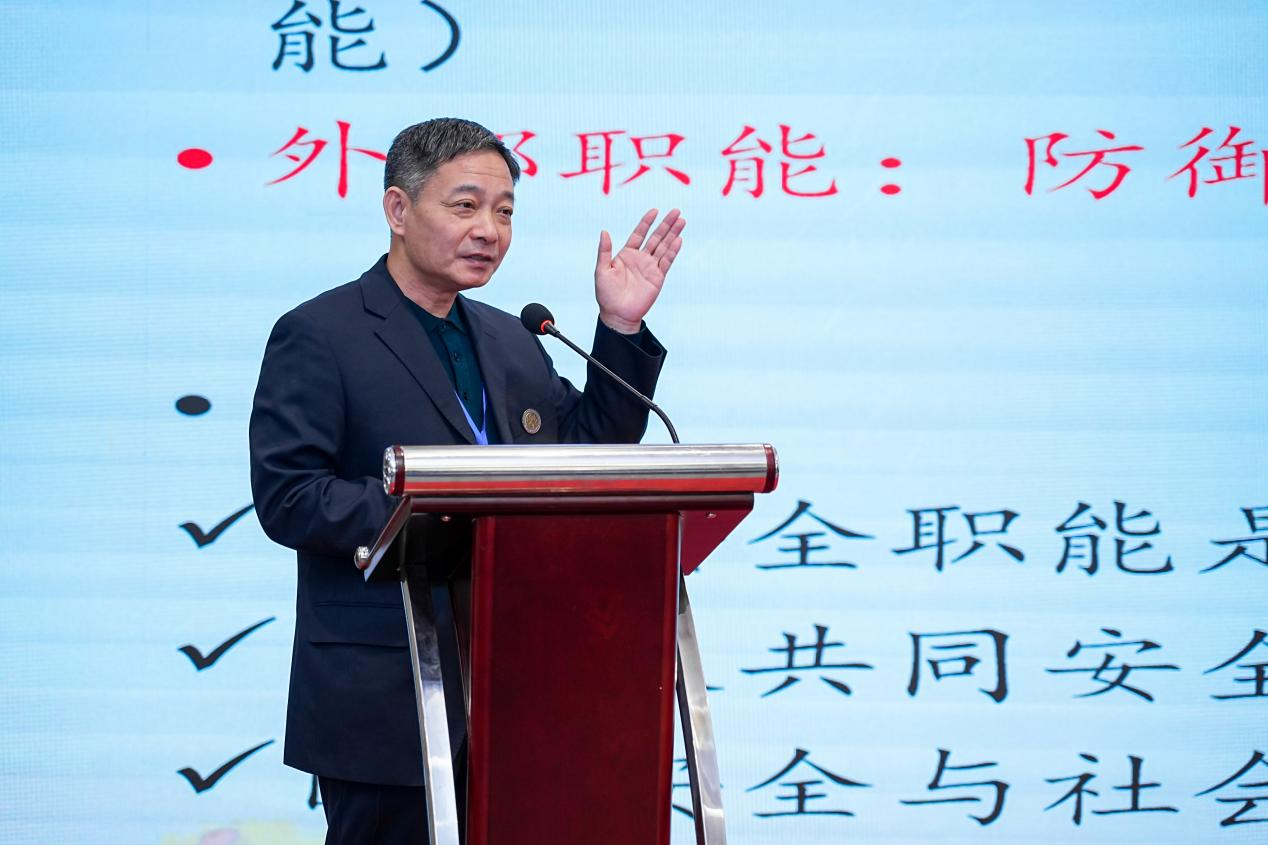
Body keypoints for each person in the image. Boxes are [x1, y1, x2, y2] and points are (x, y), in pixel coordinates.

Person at [248, 117, 685, 843]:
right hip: (385, 687)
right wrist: (438, 511)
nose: (489, 229)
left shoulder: (513, 337)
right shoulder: (321, 333)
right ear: (398, 209)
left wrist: (619, 328)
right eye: (466, 206)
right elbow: (289, 495)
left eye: (505, 211)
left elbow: (588, 453)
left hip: (521, 682)